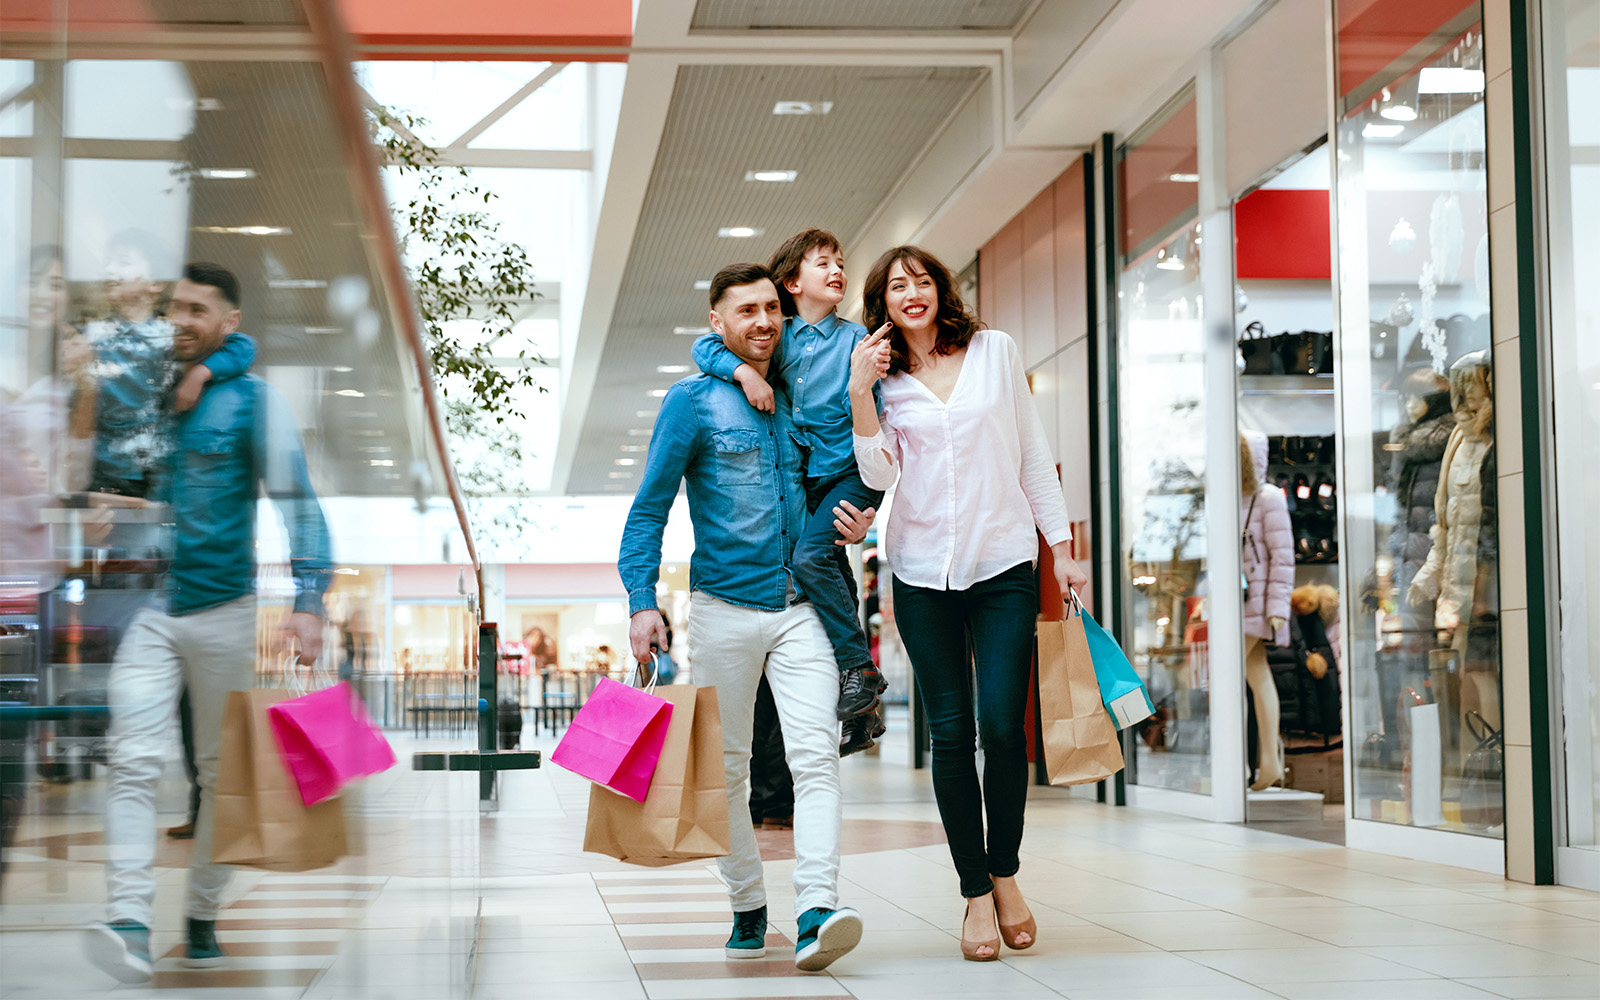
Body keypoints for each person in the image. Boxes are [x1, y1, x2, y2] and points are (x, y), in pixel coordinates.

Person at [620, 262, 875, 972]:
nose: (763, 321)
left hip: (803, 610)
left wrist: (861, 522)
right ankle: (746, 903)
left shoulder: (800, 387)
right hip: (723, 609)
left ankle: (818, 905)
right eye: (746, 311)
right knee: (727, 771)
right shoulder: (692, 403)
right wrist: (642, 602)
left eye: (772, 308)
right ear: (718, 322)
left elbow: (851, 465)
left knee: (815, 759)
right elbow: (649, 509)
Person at [86, 262, 332, 983]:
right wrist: (102, 508)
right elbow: (114, 477)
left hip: (225, 609)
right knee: (132, 758)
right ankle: (130, 920)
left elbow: (298, 500)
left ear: (230, 322)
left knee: (220, 777)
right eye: (175, 309)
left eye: (198, 309)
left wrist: (308, 601)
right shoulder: (144, 394)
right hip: (147, 608)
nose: (181, 320)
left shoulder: (255, 402)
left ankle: (200, 912)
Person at [848, 245, 1086, 962]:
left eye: (921, 281)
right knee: (950, 734)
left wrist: (1063, 546)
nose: (911, 294)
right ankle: (976, 893)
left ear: (939, 289)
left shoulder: (994, 352)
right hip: (921, 573)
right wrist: (862, 394)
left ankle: (1006, 871)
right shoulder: (883, 381)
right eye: (896, 287)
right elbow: (878, 474)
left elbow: (1031, 453)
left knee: (1003, 727)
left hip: (1004, 562)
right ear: (882, 305)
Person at [693, 230, 885, 755]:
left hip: (852, 472)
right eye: (823, 263)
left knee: (809, 556)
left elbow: (884, 426)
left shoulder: (858, 341)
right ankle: (862, 705)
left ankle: (859, 672)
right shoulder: (780, 335)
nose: (837, 270)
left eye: (840, 262)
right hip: (808, 476)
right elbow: (704, 345)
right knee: (829, 567)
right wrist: (744, 376)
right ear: (793, 283)